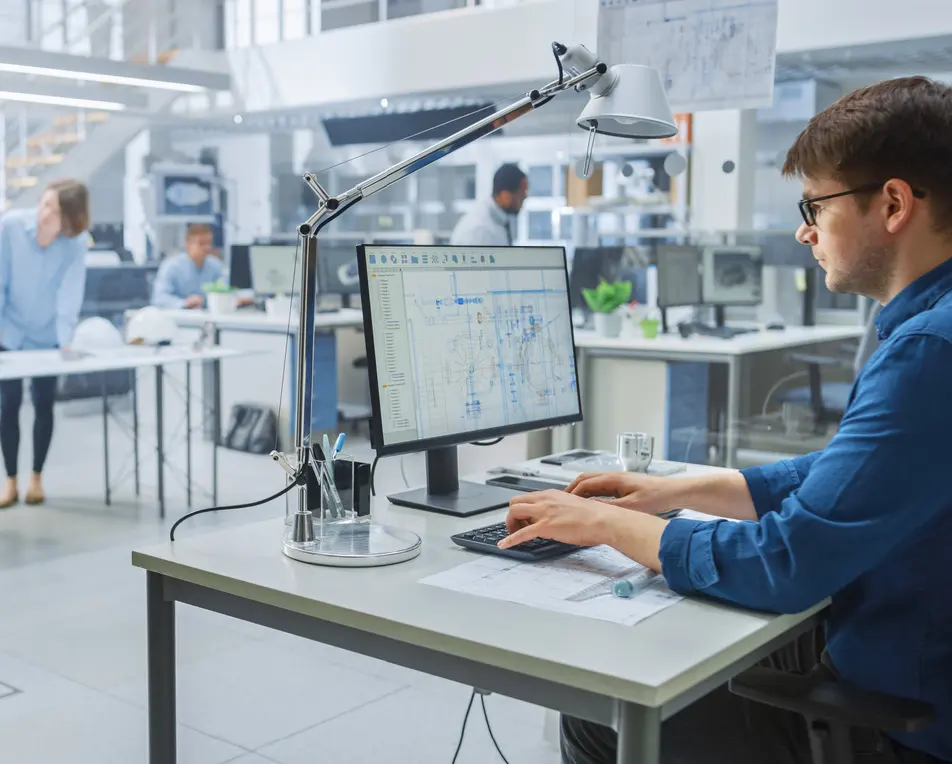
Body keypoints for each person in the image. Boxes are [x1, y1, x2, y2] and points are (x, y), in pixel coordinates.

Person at [501, 76, 952, 764]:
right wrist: (679, 491)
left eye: (815, 205)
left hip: (901, 722)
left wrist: (608, 525)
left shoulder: (928, 351)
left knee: (599, 713)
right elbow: (856, 474)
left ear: (892, 204)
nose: (804, 230)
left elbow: (788, 561)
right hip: (902, 653)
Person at [0, 179, 89, 508]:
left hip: (47, 336)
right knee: (7, 405)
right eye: (44, 202)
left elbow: (69, 293)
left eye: (53, 208)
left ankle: (36, 479)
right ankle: (10, 481)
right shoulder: (10, 227)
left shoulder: (75, 243)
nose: (43, 211)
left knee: (44, 403)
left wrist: (66, 343)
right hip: (9, 331)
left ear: (68, 219)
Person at [152, 223, 244, 309]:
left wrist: (236, 299)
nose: (207, 247)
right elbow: (159, 298)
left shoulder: (215, 266)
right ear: (188, 244)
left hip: (208, 317)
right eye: (201, 243)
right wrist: (185, 303)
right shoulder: (171, 266)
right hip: (179, 316)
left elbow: (225, 290)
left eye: (209, 243)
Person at [450, 163, 528, 246]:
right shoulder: (480, 230)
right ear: (505, 196)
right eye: (522, 196)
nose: (524, 199)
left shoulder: (499, 221)